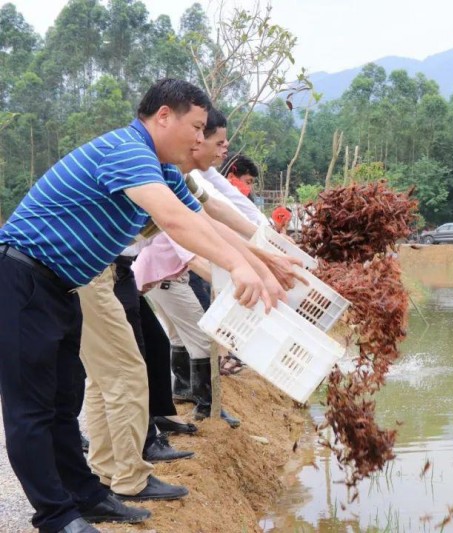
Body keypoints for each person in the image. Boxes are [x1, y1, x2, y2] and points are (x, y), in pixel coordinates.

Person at [0, 78, 285, 533]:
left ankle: (87, 495)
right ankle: (55, 516)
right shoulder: (128, 151)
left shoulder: (162, 168)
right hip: (22, 279)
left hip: (64, 287)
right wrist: (240, 265)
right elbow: (173, 221)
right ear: (163, 116)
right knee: (30, 410)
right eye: (195, 127)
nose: (199, 138)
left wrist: (265, 260)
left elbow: (200, 217)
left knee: (62, 403)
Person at [133, 108, 304, 428]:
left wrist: (263, 257)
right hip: (147, 275)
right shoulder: (159, 175)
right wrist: (242, 274)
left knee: (166, 341)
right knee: (197, 338)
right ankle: (205, 410)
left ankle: (174, 402)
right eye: (211, 137)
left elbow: (213, 215)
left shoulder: (178, 178)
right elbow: (192, 242)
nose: (222, 149)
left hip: (153, 275)